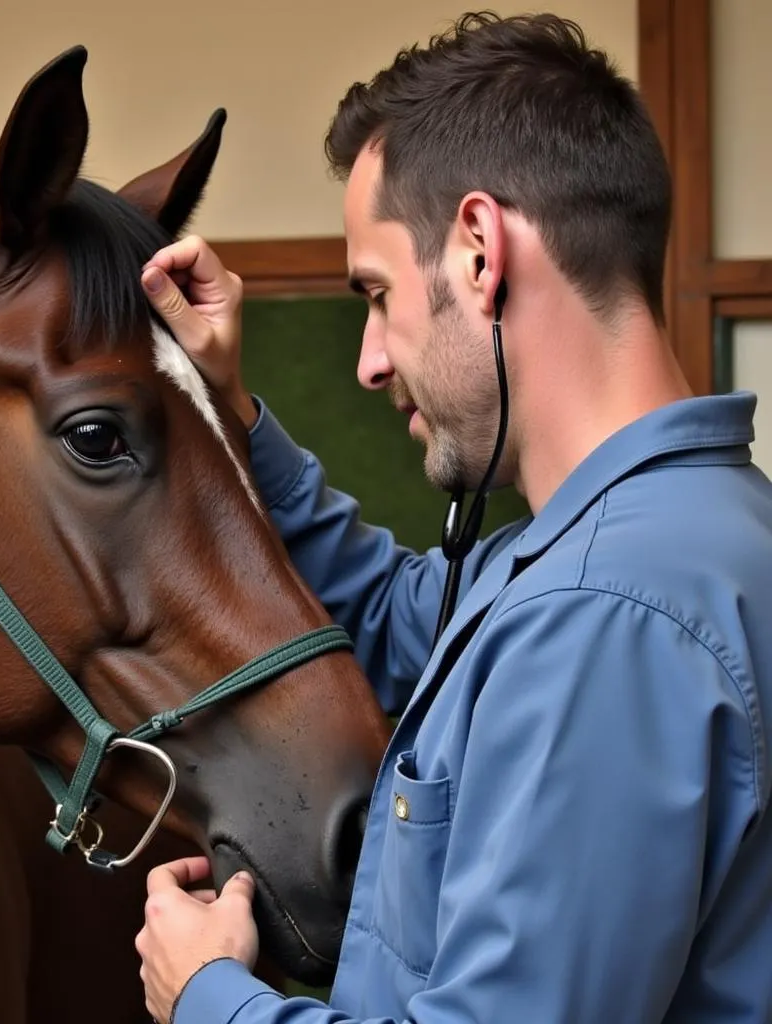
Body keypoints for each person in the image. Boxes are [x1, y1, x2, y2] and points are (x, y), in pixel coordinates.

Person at [134, 11, 772, 1024]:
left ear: (478, 250)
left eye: (378, 295)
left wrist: (208, 997)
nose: (370, 360)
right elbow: (399, 614)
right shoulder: (670, 536)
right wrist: (231, 408)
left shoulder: (605, 614)